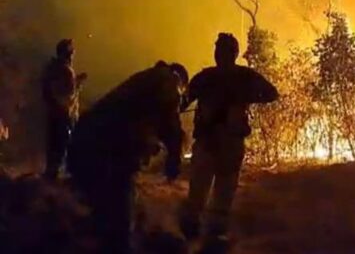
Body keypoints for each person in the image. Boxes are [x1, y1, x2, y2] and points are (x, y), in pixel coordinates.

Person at [67, 61, 187, 253]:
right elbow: (170, 124)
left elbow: (141, 118)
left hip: (83, 142)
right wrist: (174, 157)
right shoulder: (168, 80)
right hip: (107, 150)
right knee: (119, 216)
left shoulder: (142, 82)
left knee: (103, 213)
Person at [179, 33, 278, 247]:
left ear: (230, 53)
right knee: (206, 192)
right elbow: (183, 102)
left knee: (215, 192)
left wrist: (245, 98)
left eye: (222, 49)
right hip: (216, 143)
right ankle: (200, 236)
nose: (219, 54)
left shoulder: (222, 77)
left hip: (223, 143)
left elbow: (271, 93)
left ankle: (205, 238)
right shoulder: (222, 77)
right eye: (218, 49)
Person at [41, 38, 87, 180]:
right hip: (64, 116)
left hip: (53, 114)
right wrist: (78, 83)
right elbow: (67, 95)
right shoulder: (65, 70)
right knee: (63, 146)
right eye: (72, 52)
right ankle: (55, 180)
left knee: (54, 147)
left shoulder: (51, 67)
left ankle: (51, 177)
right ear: (67, 53)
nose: (73, 54)